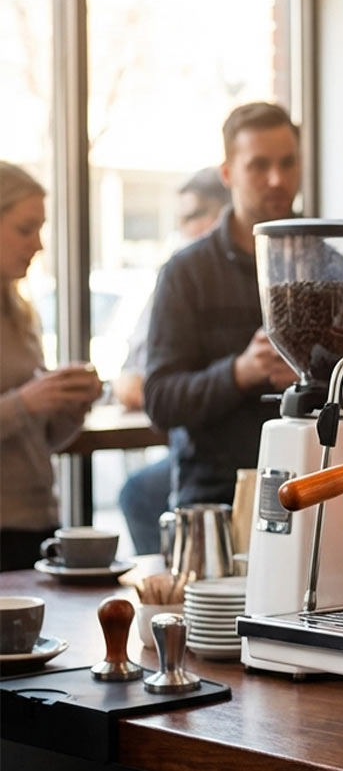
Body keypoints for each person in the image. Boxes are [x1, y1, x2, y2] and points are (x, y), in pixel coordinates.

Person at [142, 103, 299, 508]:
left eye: (287, 163)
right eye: (259, 165)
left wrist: (310, 376)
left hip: (313, 487)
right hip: (213, 499)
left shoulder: (328, 263)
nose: (277, 179)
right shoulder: (186, 273)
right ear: (227, 173)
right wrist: (239, 372)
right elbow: (160, 400)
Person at [115, 167, 230, 553]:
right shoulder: (181, 273)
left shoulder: (220, 274)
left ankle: (167, 577)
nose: (183, 228)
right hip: (192, 448)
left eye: (192, 215)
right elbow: (134, 383)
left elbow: (142, 387)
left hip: (215, 459)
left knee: (139, 493)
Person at [0, 163, 104, 571]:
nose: (39, 245)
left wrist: (70, 404)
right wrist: (26, 402)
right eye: (26, 229)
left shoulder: (21, 312)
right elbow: (22, 409)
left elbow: (39, 439)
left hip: (36, 521)